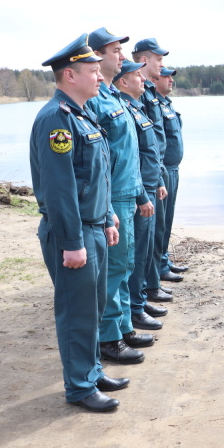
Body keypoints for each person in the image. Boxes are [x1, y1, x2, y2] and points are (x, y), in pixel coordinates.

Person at [30, 34, 124, 412]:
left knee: (94, 306)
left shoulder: (82, 114)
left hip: (93, 226)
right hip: (73, 232)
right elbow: (60, 189)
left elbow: (95, 175)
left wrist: (109, 217)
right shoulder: (57, 119)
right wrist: (72, 241)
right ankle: (81, 388)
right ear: (70, 75)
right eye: (93, 70)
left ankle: (92, 370)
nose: (100, 77)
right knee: (77, 311)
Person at [87, 28, 155, 360]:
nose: (123, 57)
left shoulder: (114, 96)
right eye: (116, 51)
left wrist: (141, 193)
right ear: (98, 56)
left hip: (129, 193)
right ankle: (108, 339)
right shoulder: (95, 99)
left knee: (125, 265)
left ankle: (124, 326)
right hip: (113, 197)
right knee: (113, 270)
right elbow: (98, 160)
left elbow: (128, 155)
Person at [114, 60, 168, 330]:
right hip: (136, 193)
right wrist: (141, 194)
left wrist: (156, 180)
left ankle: (139, 299)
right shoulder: (122, 109)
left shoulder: (135, 107)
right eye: (137, 75)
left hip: (145, 187)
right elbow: (129, 159)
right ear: (123, 82)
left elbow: (149, 150)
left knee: (142, 251)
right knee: (132, 256)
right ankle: (134, 308)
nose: (143, 80)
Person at [132, 38, 177, 307]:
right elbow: (141, 145)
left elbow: (155, 140)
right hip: (148, 177)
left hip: (157, 174)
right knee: (144, 241)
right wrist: (158, 176)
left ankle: (150, 285)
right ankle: (145, 291)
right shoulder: (142, 95)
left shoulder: (149, 93)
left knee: (154, 235)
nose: (162, 65)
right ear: (145, 60)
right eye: (159, 59)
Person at [153, 66, 187, 282]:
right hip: (163, 171)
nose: (170, 80)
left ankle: (163, 259)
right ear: (155, 80)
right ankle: (159, 266)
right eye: (166, 76)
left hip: (173, 169)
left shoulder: (166, 104)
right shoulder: (153, 104)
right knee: (160, 222)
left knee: (168, 219)